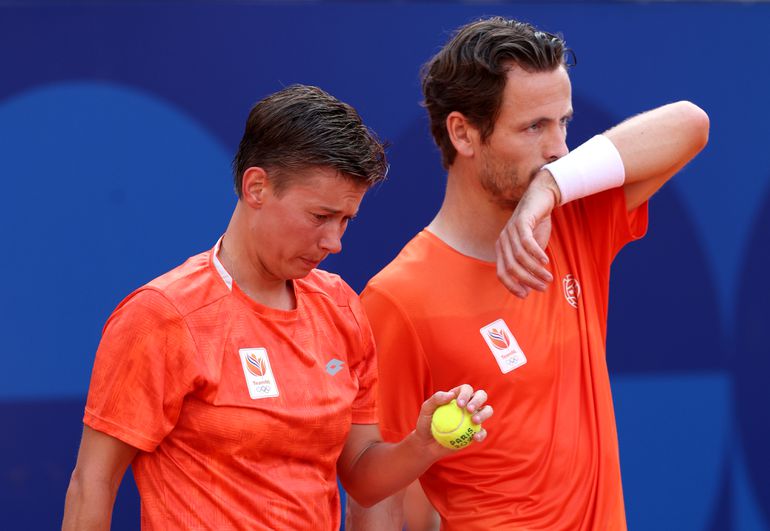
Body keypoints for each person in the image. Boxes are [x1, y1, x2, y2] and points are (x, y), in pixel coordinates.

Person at [61, 84, 493, 530]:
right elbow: (93, 482)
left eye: (346, 220)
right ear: (257, 187)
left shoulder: (341, 307)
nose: (335, 242)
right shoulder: (160, 315)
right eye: (320, 216)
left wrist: (421, 444)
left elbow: (363, 479)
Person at [347, 17, 709, 531]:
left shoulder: (573, 217)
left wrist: (550, 189)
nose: (559, 148)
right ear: (463, 133)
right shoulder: (397, 298)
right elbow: (375, 492)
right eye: (534, 126)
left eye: (563, 121)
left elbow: (690, 124)